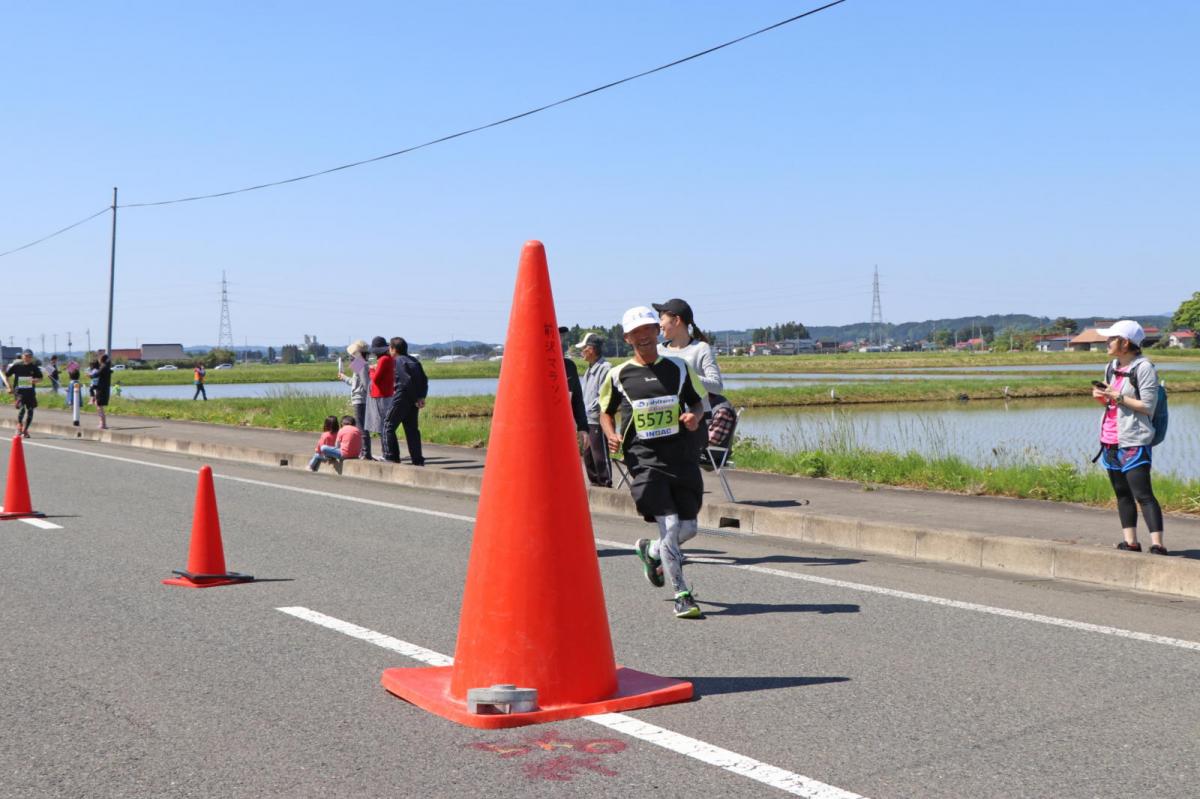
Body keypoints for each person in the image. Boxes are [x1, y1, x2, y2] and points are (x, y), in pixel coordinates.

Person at [599, 306, 707, 619]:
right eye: (636, 332)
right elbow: (605, 411)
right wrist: (610, 433)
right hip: (643, 459)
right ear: (627, 337)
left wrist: (693, 416)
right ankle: (682, 594)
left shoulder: (679, 367)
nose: (643, 336)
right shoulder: (618, 374)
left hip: (680, 455)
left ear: (656, 332)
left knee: (688, 528)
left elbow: (700, 401)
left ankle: (652, 550)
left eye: (648, 329)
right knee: (671, 525)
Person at [1091, 320, 1167, 555]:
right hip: (1110, 438)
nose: (1107, 342)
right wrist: (1101, 396)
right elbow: (1111, 402)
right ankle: (1131, 542)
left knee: (1143, 494)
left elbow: (1147, 406)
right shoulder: (1111, 366)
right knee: (1122, 493)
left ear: (1125, 343)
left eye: (1111, 339)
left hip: (1134, 439)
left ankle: (1158, 545)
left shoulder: (1144, 368)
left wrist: (1118, 396)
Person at [655, 297, 723, 465]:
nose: (660, 324)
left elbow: (717, 386)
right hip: (662, 420)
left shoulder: (700, 349)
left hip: (694, 420)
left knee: (684, 473)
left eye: (662, 318)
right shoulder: (658, 350)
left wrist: (685, 376)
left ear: (676, 320)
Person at [383, 337, 429, 465]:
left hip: (402, 397)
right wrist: (420, 397)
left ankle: (391, 457)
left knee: (388, 426)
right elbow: (425, 380)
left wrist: (415, 398)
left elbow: (406, 381)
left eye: (390, 348)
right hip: (413, 400)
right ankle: (417, 459)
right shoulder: (414, 361)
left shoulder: (398, 361)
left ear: (393, 349)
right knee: (412, 430)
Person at [577, 331, 612, 487]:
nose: (581, 352)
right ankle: (595, 486)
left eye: (583, 348)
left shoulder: (605, 368)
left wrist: (587, 412)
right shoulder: (590, 369)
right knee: (588, 457)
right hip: (587, 421)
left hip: (597, 420)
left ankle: (607, 485)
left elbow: (604, 397)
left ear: (591, 349)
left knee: (600, 456)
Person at [338, 340, 372, 460]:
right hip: (359, 399)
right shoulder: (360, 364)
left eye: (352, 354)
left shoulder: (361, 364)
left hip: (360, 400)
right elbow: (355, 383)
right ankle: (365, 452)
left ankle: (365, 453)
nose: (350, 356)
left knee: (361, 427)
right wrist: (344, 378)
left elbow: (366, 383)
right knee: (361, 426)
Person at [557, 327, 588, 452]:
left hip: (564, 430)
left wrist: (583, 427)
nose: (559, 339)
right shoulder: (531, 366)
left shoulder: (569, 366)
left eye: (560, 336)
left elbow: (577, 400)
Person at [365, 336, 394, 461]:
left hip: (380, 395)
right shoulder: (389, 358)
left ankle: (386, 453)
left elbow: (374, 379)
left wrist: (371, 370)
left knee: (382, 426)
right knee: (384, 425)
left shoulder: (383, 359)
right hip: (386, 394)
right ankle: (387, 453)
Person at [5, 350, 43, 438]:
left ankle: (25, 430)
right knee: (22, 409)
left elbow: (40, 378)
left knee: (30, 411)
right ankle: (19, 426)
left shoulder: (34, 367)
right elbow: (6, 375)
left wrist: (35, 380)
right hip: (19, 392)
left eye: (30, 356)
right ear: (22, 356)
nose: (28, 358)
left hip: (30, 392)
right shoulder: (17, 366)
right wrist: (9, 387)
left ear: (31, 358)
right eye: (26, 356)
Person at [94, 354, 113, 429]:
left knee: (99, 406)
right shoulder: (107, 367)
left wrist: (90, 375)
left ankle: (103, 424)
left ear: (101, 360)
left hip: (101, 389)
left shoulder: (103, 367)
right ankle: (102, 423)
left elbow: (96, 375)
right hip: (104, 389)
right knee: (99, 405)